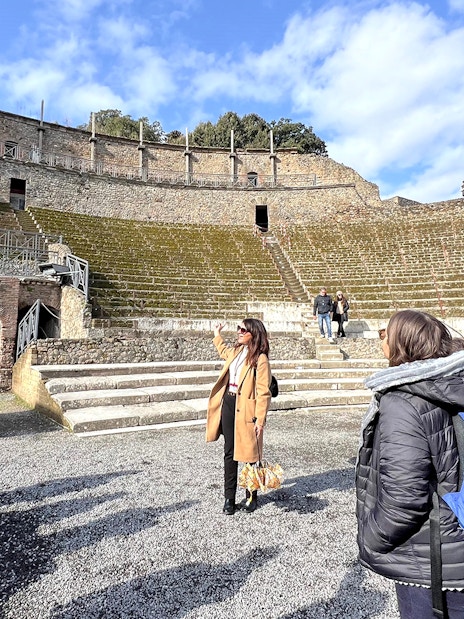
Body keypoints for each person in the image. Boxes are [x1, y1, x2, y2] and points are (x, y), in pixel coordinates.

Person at [356, 310, 464, 618]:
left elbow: (404, 498)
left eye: (384, 333)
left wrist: (371, 538)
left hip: (432, 564)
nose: (382, 340)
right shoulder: (453, 383)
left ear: (402, 343)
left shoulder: (404, 401)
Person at [206, 319, 272, 516]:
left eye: (243, 329)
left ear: (253, 333)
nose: (239, 332)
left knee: (250, 455)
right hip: (229, 402)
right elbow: (224, 351)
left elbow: (263, 393)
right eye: (238, 328)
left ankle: (252, 494)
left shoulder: (260, 360)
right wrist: (217, 335)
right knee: (229, 452)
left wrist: (260, 419)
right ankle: (229, 498)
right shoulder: (235, 352)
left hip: (247, 408)